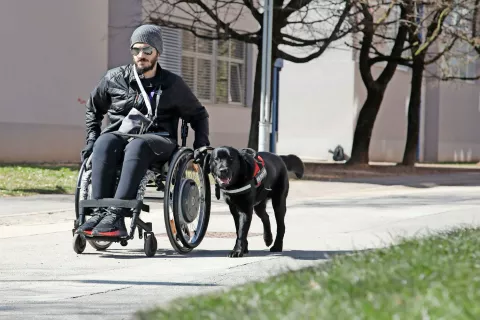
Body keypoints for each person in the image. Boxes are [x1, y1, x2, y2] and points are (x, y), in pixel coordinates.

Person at [76, 24, 210, 238]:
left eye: (147, 51)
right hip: (122, 135)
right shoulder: (114, 78)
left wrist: (201, 145)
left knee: (138, 145)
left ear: (158, 52)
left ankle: (116, 214)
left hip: (159, 139)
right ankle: (100, 212)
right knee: (104, 142)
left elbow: (199, 115)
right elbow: (93, 108)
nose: (141, 55)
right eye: (136, 50)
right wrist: (91, 139)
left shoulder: (172, 84)